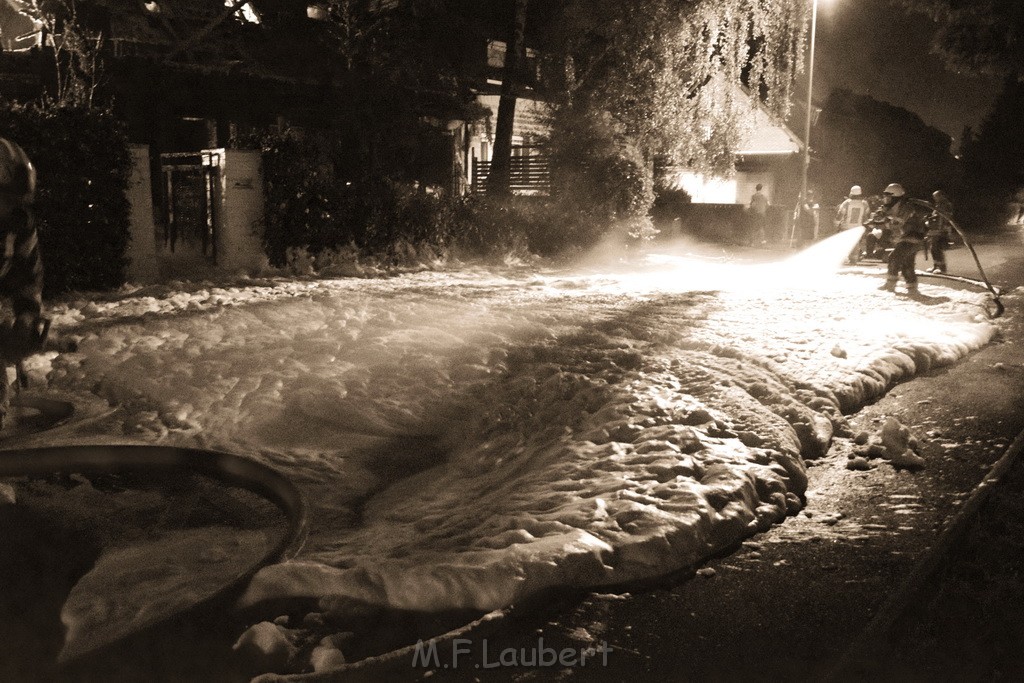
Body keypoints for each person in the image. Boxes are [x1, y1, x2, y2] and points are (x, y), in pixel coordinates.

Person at [0, 137, 46, 429]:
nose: (12, 208)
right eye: (6, 198)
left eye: (18, 200)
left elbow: (28, 274)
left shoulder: (18, 223)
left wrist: (27, 317)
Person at [876, 182, 929, 295]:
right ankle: (912, 288)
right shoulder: (893, 206)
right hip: (906, 237)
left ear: (895, 196)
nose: (886, 199)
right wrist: (879, 217)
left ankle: (890, 284)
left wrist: (885, 222)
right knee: (907, 264)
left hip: (913, 237)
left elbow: (898, 222)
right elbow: (884, 217)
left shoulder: (906, 207)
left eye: (888, 196)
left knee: (894, 258)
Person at [836, 185, 872, 263]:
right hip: (857, 229)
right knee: (855, 247)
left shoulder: (846, 203)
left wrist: (837, 224)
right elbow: (865, 218)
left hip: (846, 228)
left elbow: (839, 215)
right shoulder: (864, 204)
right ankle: (854, 260)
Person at [926, 190, 953, 273]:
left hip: (941, 230)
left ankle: (942, 268)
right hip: (935, 230)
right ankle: (936, 266)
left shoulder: (946, 205)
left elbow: (945, 217)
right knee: (933, 248)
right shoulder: (938, 205)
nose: (935, 198)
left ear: (941, 196)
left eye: (936, 196)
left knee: (937, 248)